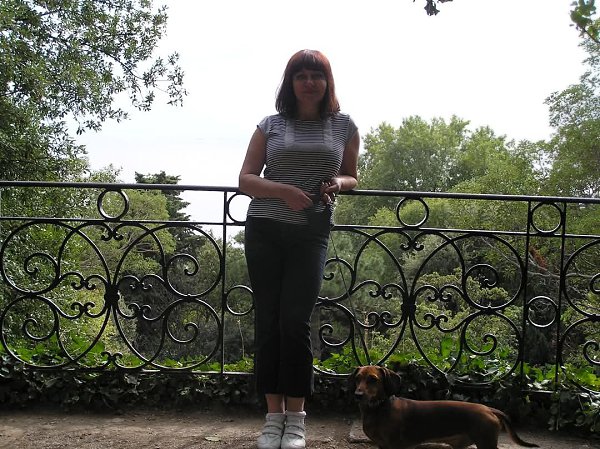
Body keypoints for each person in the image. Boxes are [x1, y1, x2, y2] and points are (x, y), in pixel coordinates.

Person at [238, 49, 360, 449]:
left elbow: (352, 175)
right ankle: (273, 419)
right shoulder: (270, 125)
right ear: (290, 83)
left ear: (327, 82)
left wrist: (338, 184)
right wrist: (284, 191)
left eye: (316, 75)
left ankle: (297, 421)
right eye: (301, 75)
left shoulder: (344, 126)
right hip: (265, 230)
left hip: (311, 232)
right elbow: (246, 179)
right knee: (269, 321)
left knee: (295, 321)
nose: (309, 82)